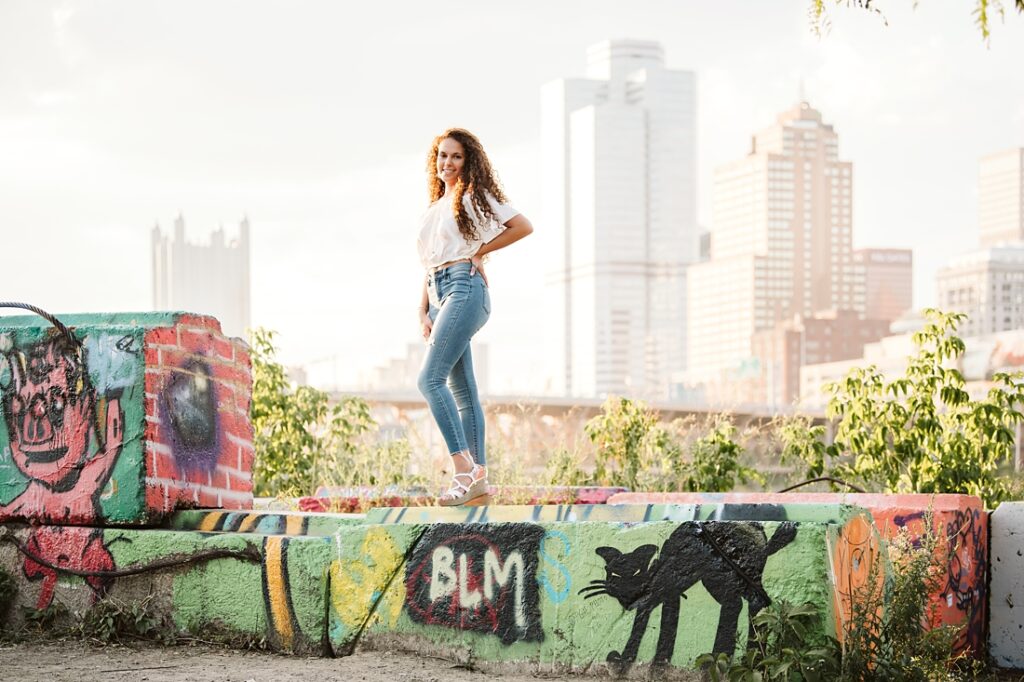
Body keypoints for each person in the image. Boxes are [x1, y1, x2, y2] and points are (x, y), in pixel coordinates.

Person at [416, 128, 533, 506]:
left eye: (456, 157)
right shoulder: (436, 206)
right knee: (463, 392)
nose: (447, 163)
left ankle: (463, 469)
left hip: (465, 290)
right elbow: (430, 262)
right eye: (442, 156)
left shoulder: (473, 195)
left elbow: (522, 226)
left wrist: (481, 251)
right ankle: (477, 481)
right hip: (439, 293)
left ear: (469, 162)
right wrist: (422, 308)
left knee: (429, 379)